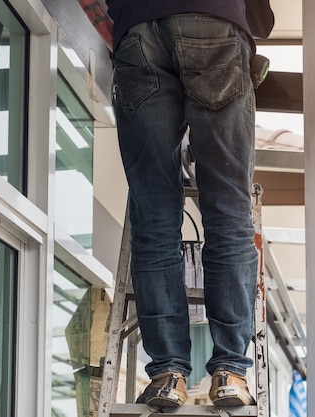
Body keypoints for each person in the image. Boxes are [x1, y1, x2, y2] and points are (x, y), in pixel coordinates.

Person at [102, 0, 273, 408]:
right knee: (228, 214)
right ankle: (230, 372)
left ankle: (167, 374)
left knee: (154, 218)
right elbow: (262, 19)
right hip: (214, 27)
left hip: (138, 31)